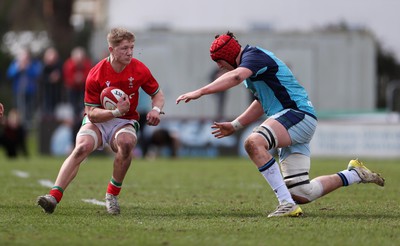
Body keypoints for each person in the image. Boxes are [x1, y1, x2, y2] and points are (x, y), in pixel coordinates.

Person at [176, 31, 385, 217]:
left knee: (253, 143)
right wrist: (235, 125)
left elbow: (236, 76)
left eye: (219, 61)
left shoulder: (253, 57)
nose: (219, 66)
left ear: (229, 55)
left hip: (297, 115)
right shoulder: (252, 65)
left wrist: (200, 91)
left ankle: (286, 204)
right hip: (295, 121)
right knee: (302, 193)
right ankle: (354, 174)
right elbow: (261, 102)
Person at [37, 27, 165, 215]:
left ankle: (112, 195)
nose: (129, 52)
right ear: (111, 50)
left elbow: (157, 94)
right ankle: (53, 197)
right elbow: (91, 113)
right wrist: (114, 111)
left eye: (131, 47)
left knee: (127, 144)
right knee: (81, 147)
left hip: (125, 121)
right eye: (124, 48)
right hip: (99, 120)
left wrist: (155, 110)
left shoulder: (139, 69)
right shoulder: (96, 73)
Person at [7, 48, 42, 129]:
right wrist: (18, 68)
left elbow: (37, 74)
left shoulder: (32, 65)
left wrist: (27, 68)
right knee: (18, 109)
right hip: (18, 92)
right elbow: (9, 74)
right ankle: (18, 126)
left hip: (30, 92)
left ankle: (28, 127)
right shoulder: (15, 64)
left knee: (29, 110)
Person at [62, 46, 92, 118]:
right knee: (73, 106)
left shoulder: (87, 64)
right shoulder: (68, 65)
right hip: (72, 89)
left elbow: (90, 76)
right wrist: (75, 80)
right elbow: (67, 79)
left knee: (83, 104)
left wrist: (82, 79)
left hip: (83, 88)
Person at [40, 47, 63, 116]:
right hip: (46, 93)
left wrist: (57, 77)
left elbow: (62, 76)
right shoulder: (43, 66)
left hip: (57, 92)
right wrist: (50, 78)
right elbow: (41, 78)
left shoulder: (59, 65)